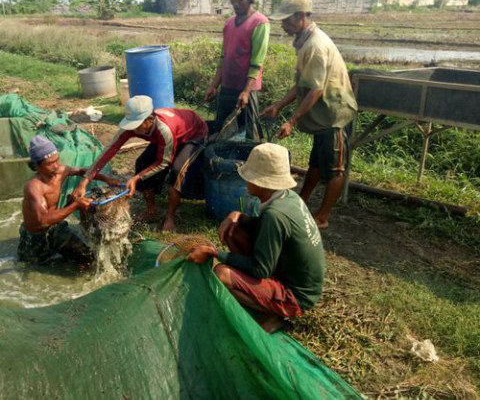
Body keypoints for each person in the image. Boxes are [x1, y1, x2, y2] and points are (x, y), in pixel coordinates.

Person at [186, 143, 324, 333]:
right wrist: (239, 216)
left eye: (249, 178)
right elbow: (266, 229)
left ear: (261, 182)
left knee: (221, 274)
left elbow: (261, 269)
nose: (246, 182)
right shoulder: (288, 197)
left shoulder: (275, 215)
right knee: (234, 229)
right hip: (288, 271)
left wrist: (216, 253)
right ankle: (261, 293)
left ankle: (276, 313)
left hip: (296, 296)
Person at [260, 0, 358, 229]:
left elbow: (315, 91)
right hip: (321, 115)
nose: (283, 25)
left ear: (301, 16)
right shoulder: (304, 41)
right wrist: (278, 106)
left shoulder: (315, 45)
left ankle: (322, 216)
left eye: (286, 20)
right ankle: (301, 202)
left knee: (335, 169)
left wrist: (292, 121)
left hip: (334, 114)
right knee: (315, 163)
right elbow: (302, 84)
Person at [73, 95, 208, 232]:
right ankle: (151, 211)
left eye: (136, 125)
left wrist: (136, 178)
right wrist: (84, 181)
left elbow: (163, 162)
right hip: (169, 139)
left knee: (177, 171)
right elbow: (109, 150)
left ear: (149, 120)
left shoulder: (164, 130)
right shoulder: (132, 127)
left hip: (193, 135)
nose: (133, 129)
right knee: (142, 163)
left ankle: (170, 217)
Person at [19, 135, 119, 265]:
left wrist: (105, 178)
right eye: (50, 163)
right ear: (37, 166)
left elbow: (82, 171)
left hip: (56, 227)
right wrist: (76, 204)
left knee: (88, 259)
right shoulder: (34, 187)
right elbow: (43, 220)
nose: (56, 166)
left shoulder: (61, 170)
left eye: (57, 160)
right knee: (33, 266)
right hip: (36, 236)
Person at [204, 0, 270, 141]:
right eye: (234, 1)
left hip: (246, 88)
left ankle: (247, 164)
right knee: (221, 128)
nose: (236, 5)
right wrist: (214, 86)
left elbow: (257, 62)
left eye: (240, 1)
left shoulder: (260, 23)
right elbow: (223, 57)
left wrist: (246, 91)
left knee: (247, 133)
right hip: (227, 85)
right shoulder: (229, 23)